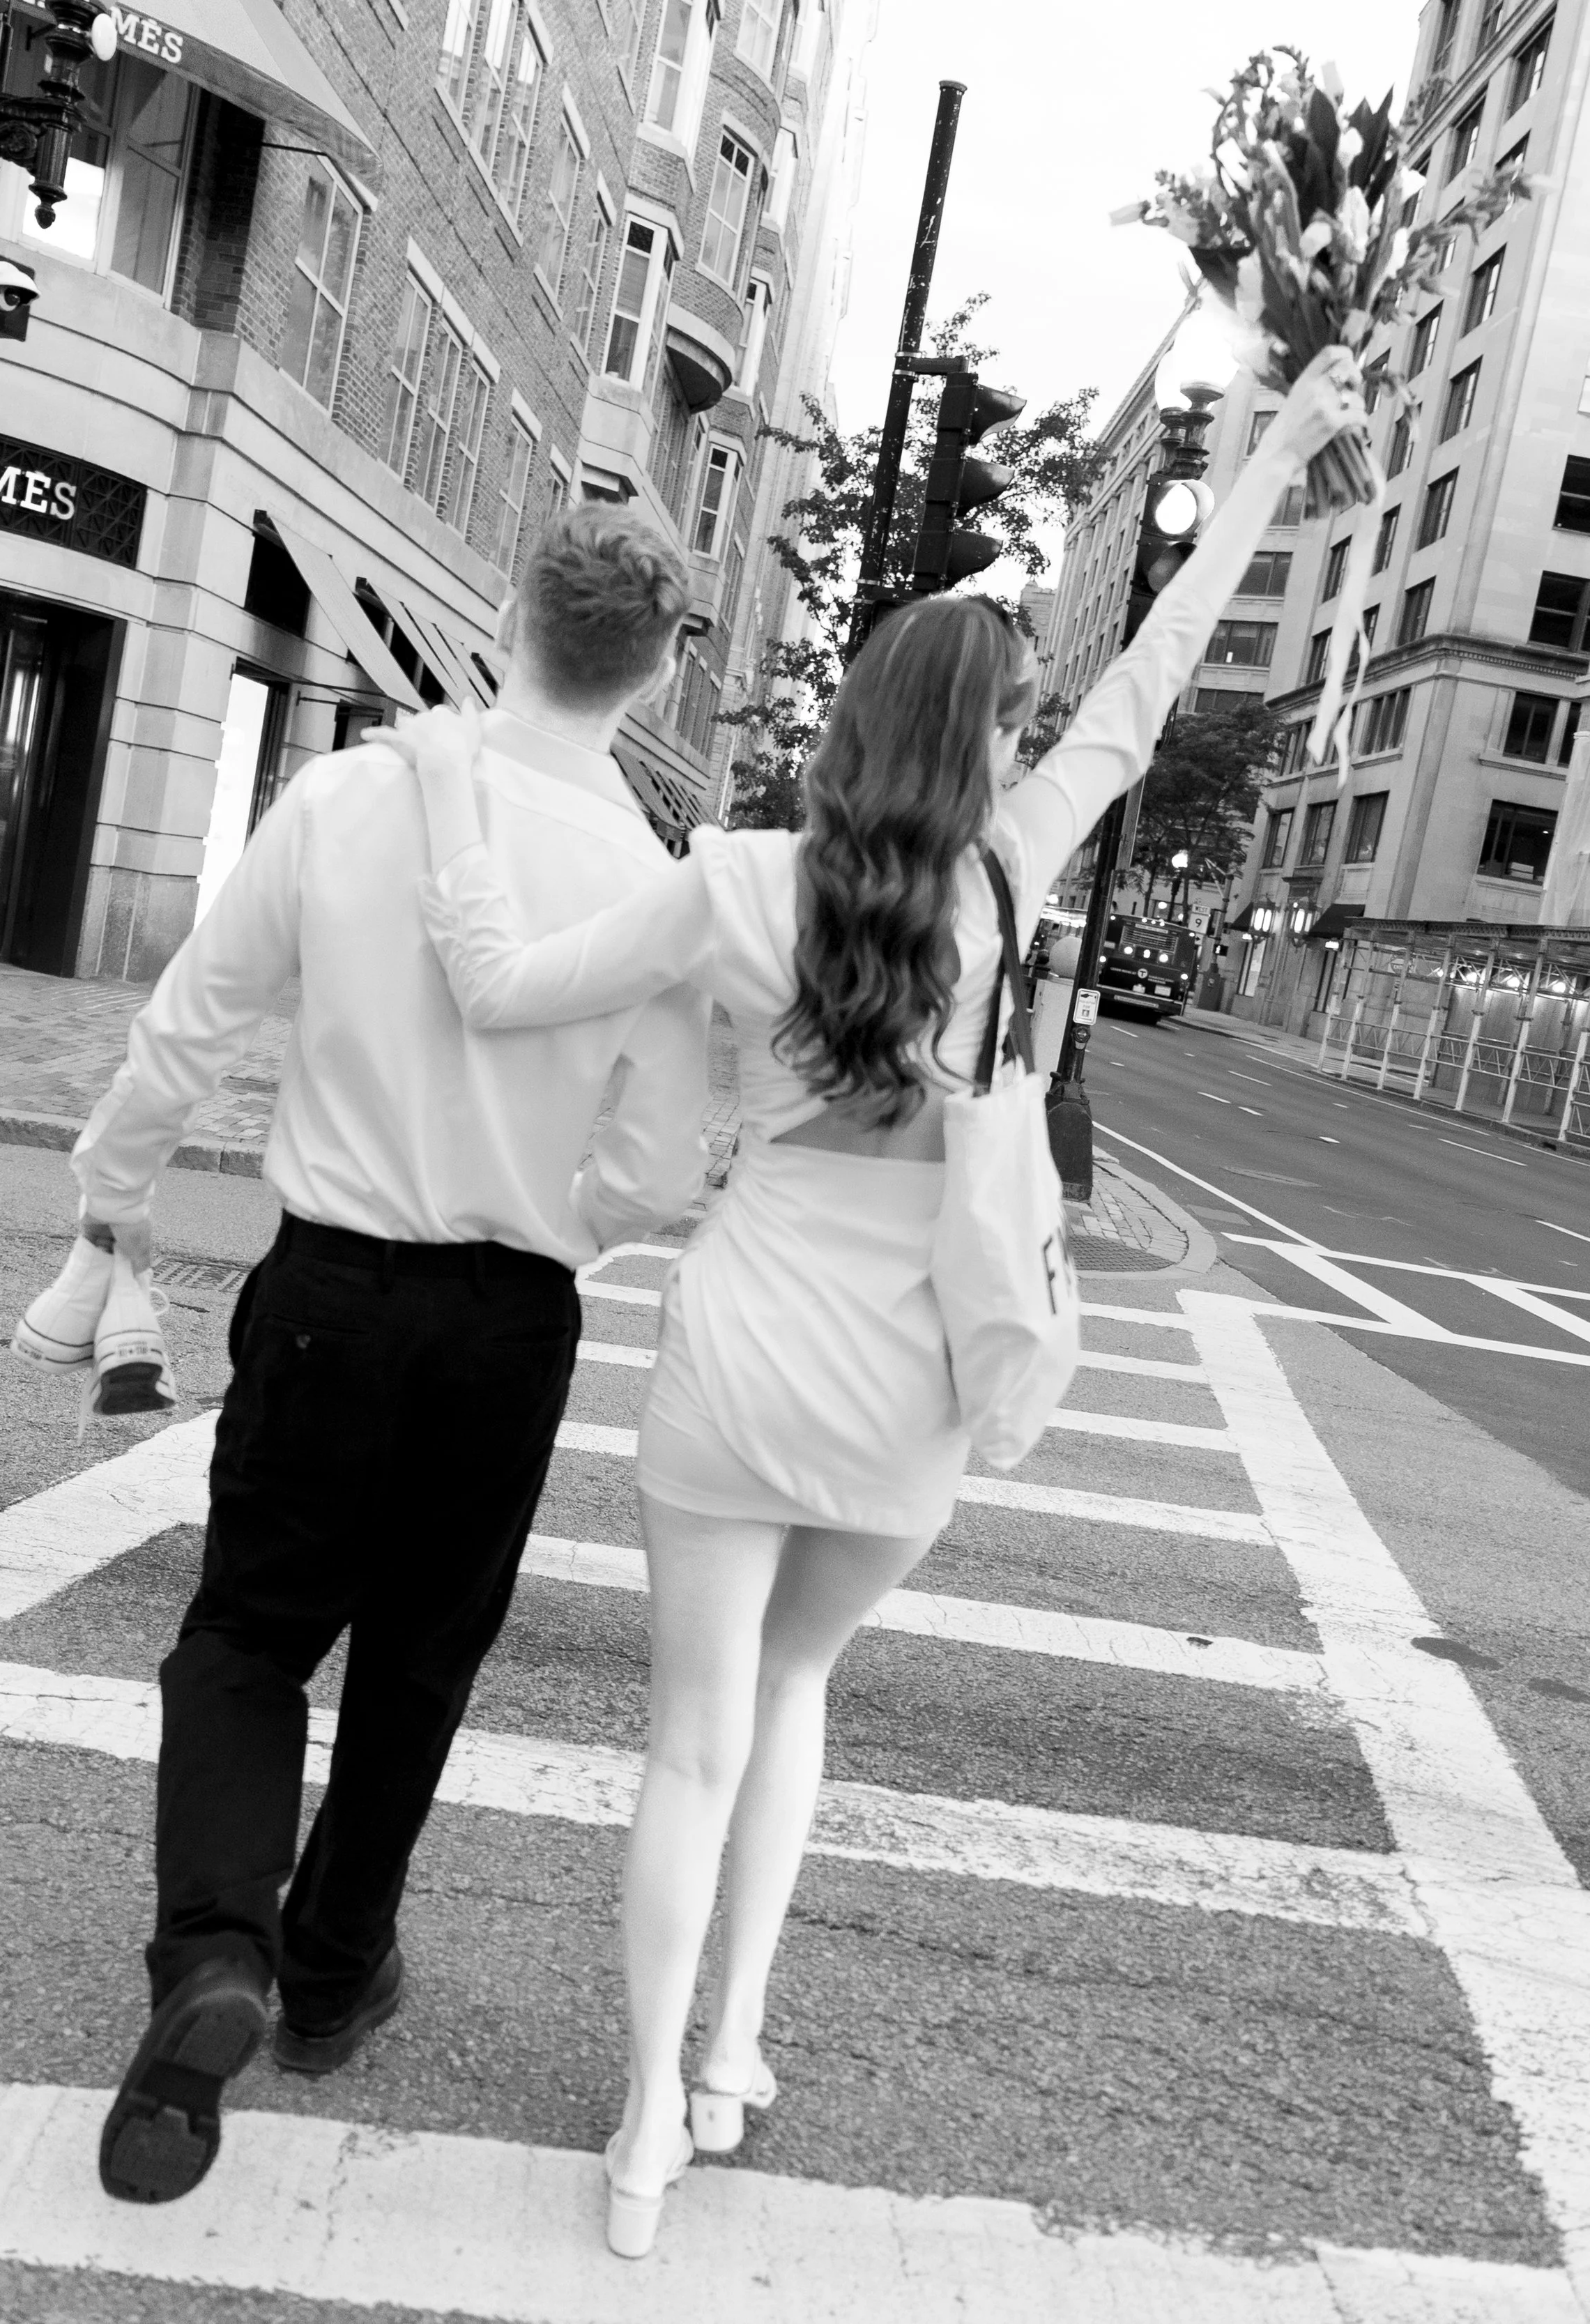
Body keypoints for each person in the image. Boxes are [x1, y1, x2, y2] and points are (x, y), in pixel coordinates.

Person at [389, 349, 1368, 2259]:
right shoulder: (1006, 877)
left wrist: (446, 783)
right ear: (980, 738)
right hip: (914, 1366)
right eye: (1015, 724)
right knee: (796, 1690)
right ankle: (737, 2044)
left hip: (743, 1346)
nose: (1025, 749)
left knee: (689, 1738)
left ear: (853, 716)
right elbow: (1166, 659)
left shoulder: (738, 878)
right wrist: (1268, 455)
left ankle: (641, 2119)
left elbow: (505, 976)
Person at [29, 505, 714, 2205]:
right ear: (658, 671)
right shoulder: (654, 889)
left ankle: (215, 1951)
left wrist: (108, 1202)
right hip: (509, 1316)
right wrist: (549, 1211)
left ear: (504, 609)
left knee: (253, 1631)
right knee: (420, 1654)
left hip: (332, 1279)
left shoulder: (351, 794)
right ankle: (333, 1971)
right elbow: (646, 1171)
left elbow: (190, 1021)